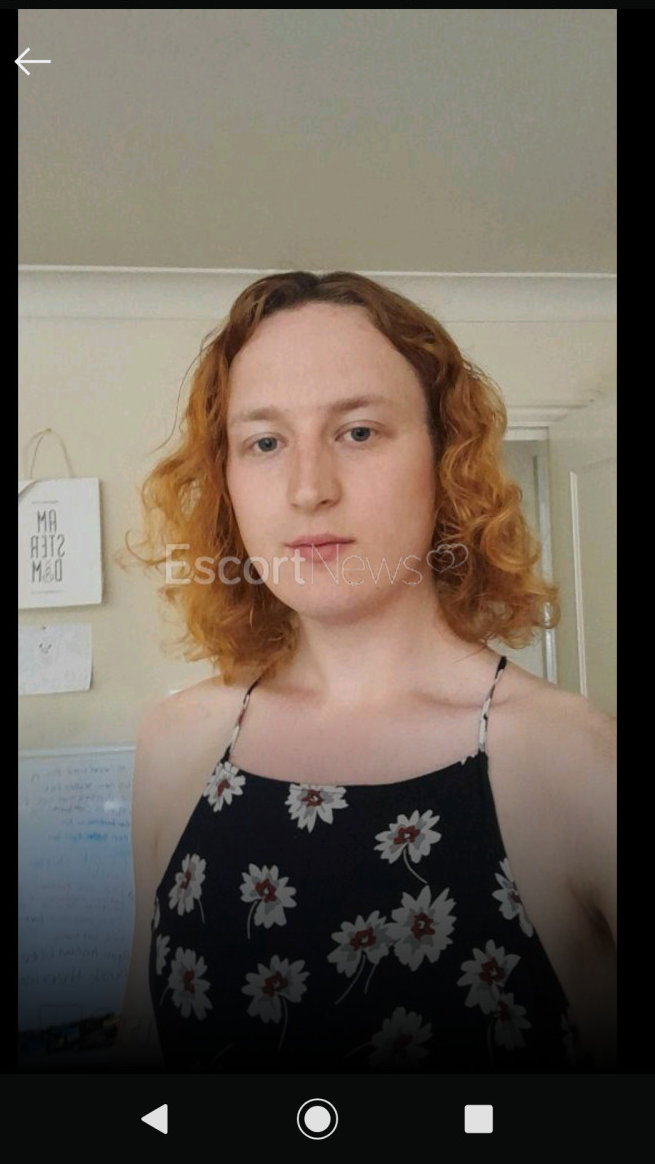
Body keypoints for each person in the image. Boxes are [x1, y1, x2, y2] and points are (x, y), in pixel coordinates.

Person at [116, 270, 616, 1075]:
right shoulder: (176, 743)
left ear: (445, 458)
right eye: (264, 442)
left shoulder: (575, 760)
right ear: (226, 482)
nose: (308, 489)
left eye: (357, 432)